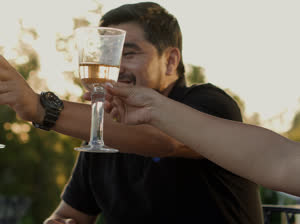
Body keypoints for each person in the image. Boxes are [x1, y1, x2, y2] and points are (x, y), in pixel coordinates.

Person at [0, 2, 263, 223]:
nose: (113, 67)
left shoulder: (211, 104)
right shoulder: (101, 127)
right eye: (107, 53)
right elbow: (69, 215)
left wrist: (40, 107)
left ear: (171, 61)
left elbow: (163, 138)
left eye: (129, 53)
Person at [105, 82, 300, 197]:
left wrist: (153, 109)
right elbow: (281, 161)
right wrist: (153, 109)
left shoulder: (211, 99)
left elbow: (280, 162)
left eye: (129, 53)